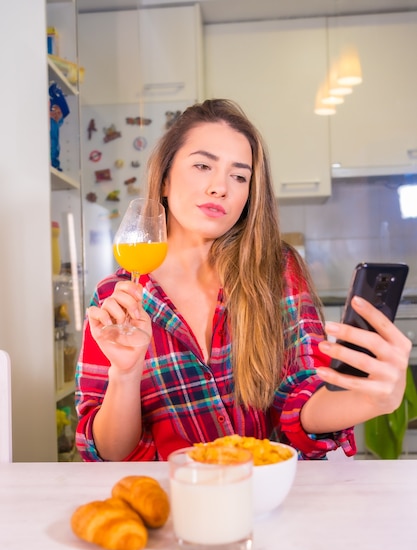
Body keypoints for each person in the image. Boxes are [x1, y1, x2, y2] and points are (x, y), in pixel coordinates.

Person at [75, 98, 411, 462]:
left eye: (239, 176)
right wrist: (125, 375)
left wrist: (372, 398)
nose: (221, 188)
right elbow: (110, 453)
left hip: (271, 499)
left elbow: (302, 401)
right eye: (203, 166)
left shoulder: (275, 271)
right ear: (166, 178)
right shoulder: (117, 298)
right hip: (175, 504)